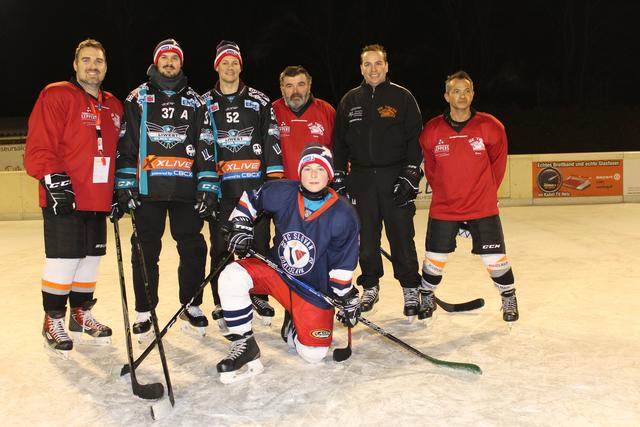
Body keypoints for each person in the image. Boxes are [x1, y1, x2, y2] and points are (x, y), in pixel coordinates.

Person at [215, 143, 360, 383]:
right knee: (231, 276)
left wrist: (346, 297)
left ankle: (293, 321)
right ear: (299, 172)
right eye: (308, 168)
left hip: (312, 289)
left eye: (320, 169)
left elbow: (342, 266)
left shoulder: (344, 214)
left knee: (313, 354)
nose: (314, 175)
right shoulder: (284, 192)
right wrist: (240, 223)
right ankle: (244, 344)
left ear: (330, 174)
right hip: (277, 271)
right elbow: (252, 198)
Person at [24, 39, 122, 358]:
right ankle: (52, 319)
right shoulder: (56, 94)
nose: (93, 65)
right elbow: (39, 141)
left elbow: (119, 153)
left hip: (98, 196)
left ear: (106, 67)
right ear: (76, 64)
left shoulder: (115, 106)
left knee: (90, 261)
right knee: (64, 260)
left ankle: (81, 314)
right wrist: (52, 177)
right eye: (87, 60)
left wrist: (121, 188)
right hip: (65, 194)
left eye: (99, 60)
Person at [115, 39, 216, 340]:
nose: (170, 62)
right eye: (165, 58)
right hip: (148, 191)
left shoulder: (197, 102)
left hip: (186, 191)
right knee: (145, 250)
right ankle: (144, 310)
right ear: (156, 63)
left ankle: (192, 304)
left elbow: (206, 146)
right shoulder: (137, 98)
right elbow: (126, 144)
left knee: (194, 248)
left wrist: (208, 186)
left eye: (175, 58)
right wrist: (125, 183)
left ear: (181, 64)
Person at [418, 70, 519, 323]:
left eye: (466, 91)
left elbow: (498, 165)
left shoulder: (491, 127)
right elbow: (431, 170)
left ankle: (508, 297)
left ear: (472, 94)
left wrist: (482, 195)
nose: (461, 96)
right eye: (455, 91)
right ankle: (427, 296)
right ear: (446, 95)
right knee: (435, 257)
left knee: (495, 258)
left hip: (482, 207)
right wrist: (449, 194)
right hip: (444, 207)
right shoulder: (431, 130)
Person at [332, 44, 423, 320]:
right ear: (361, 68)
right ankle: (370, 285)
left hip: (394, 176)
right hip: (360, 179)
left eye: (378, 64)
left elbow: (414, 140)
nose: (373, 69)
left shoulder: (402, 97)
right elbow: (339, 142)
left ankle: (410, 287)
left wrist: (410, 174)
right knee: (366, 240)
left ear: (386, 66)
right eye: (367, 64)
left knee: (401, 236)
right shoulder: (350, 100)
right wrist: (339, 176)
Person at [200, 41, 283, 328]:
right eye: (225, 62)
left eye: (234, 62)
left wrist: (272, 183)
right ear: (217, 67)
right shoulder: (204, 103)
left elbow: (272, 139)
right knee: (221, 249)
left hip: (254, 191)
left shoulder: (260, 101)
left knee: (258, 245)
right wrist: (205, 188)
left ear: (240, 66)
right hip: (222, 192)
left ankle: (258, 294)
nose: (230, 67)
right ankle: (222, 301)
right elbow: (200, 147)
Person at [272, 65, 335, 179]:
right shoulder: (272, 111)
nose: (295, 91)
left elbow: (339, 150)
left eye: (301, 85)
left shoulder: (327, 111)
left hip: (317, 185)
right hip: (282, 187)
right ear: (282, 88)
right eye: (289, 86)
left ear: (309, 86)